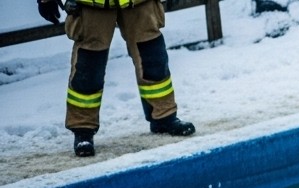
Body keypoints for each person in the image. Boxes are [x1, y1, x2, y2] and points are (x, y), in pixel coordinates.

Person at [37, 0, 196, 158]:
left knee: (152, 55)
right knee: (89, 65)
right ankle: (83, 129)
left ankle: (164, 117)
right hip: (91, 3)